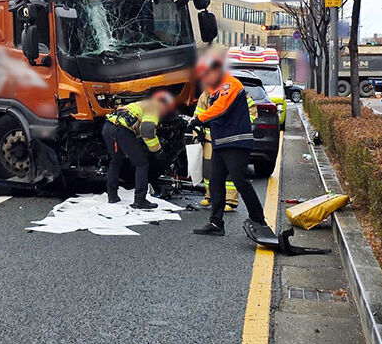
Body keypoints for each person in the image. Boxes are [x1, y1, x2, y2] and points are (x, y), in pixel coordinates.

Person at [189, 55, 266, 236]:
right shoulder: (214, 90)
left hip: (236, 142)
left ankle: (259, 219)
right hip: (221, 143)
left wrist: (199, 119)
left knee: (240, 181)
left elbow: (221, 109)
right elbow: (215, 116)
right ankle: (216, 223)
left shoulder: (230, 84)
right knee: (215, 182)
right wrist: (199, 125)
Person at [193, 73, 257, 212]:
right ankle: (212, 203)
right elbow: (199, 113)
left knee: (235, 177)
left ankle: (232, 201)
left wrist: (241, 125)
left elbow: (223, 109)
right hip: (213, 140)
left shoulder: (232, 88)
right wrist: (197, 132)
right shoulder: (207, 94)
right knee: (211, 173)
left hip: (233, 139)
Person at [103, 89, 176, 210]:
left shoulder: (140, 104)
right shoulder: (154, 106)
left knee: (115, 161)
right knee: (141, 163)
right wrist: (157, 150)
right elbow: (147, 130)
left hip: (108, 127)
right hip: (122, 130)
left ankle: (112, 196)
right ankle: (140, 200)